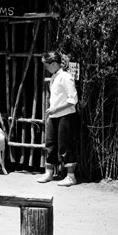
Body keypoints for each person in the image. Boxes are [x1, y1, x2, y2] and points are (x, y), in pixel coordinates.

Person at [37, 51, 79, 187]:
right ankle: (49, 173)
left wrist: (56, 109)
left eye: (47, 65)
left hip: (65, 116)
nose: (46, 68)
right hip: (54, 116)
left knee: (64, 145)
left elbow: (73, 100)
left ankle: (71, 176)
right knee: (50, 144)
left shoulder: (66, 77)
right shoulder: (55, 76)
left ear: (54, 63)